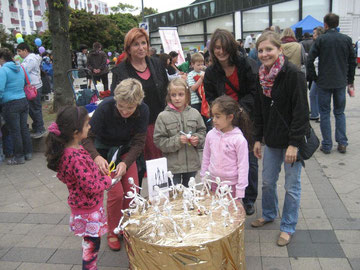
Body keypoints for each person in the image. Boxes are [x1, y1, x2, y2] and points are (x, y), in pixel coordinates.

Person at [251, 31, 309, 246]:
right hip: (272, 140)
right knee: (267, 182)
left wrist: (294, 143)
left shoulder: (293, 74)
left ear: (279, 50)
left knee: (291, 187)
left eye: (269, 49)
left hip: (291, 141)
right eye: (261, 50)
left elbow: (301, 111)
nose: (264, 54)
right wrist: (257, 138)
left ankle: (288, 226)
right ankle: (268, 214)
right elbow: (259, 110)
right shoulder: (261, 76)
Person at [82, 78, 149, 251]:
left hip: (126, 150)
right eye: (121, 106)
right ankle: (112, 231)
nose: (125, 111)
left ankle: (126, 226)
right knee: (116, 193)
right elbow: (86, 138)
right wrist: (96, 157)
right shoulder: (106, 107)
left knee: (132, 191)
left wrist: (126, 163)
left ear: (137, 104)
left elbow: (139, 142)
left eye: (130, 108)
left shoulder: (143, 110)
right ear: (116, 100)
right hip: (104, 153)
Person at [45, 106, 114, 269]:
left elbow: (82, 176)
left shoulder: (73, 149)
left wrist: (98, 172)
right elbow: (90, 186)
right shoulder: (73, 156)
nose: (89, 127)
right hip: (88, 210)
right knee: (91, 247)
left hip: (84, 206)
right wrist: (108, 180)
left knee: (91, 244)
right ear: (76, 132)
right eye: (87, 125)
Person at [204, 28, 259, 216]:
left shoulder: (246, 65)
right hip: (224, 118)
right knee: (224, 157)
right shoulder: (211, 71)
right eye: (216, 48)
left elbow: (254, 92)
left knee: (248, 159)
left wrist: (239, 110)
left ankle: (248, 198)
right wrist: (220, 113)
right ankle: (223, 192)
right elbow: (210, 96)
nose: (220, 51)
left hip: (245, 116)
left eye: (224, 47)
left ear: (231, 47)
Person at [111, 27, 168, 162]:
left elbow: (167, 90)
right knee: (139, 169)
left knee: (160, 170)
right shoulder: (120, 71)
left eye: (144, 43)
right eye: (136, 44)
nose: (141, 47)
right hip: (135, 129)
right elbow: (116, 101)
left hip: (158, 125)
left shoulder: (157, 64)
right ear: (128, 48)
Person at [307, 13, 356, 154]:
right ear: (337, 23)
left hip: (324, 81)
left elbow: (310, 59)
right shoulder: (346, 39)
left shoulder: (321, 40)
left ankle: (327, 144)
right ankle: (342, 143)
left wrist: (314, 77)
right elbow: (352, 61)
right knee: (340, 112)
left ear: (325, 24)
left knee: (325, 113)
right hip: (340, 81)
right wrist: (350, 80)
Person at [154, 78, 206, 187]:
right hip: (172, 167)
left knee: (190, 194)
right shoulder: (163, 116)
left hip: (192, 165)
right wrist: (177, 140)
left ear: (187, 95)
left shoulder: (195, 113)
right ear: (169, 96)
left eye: (181, 94)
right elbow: (159, 141)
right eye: (173, 95)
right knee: (175, 197)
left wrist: (197, 139)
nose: (177, 98)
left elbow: (202, 131)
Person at [200, 95, 252, 199]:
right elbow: (206, 158)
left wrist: (240, 191)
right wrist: (204, 180)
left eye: (218, 116)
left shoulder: (239, 140)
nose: (214, 120)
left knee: (231, 213)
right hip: (214, 183)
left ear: (230, 117)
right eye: (213, 116)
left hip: (231, 186)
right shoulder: (210, 135)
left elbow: (243, 167)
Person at [0, 48, 32, 165]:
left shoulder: (3, 70)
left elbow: (0, 89)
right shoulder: (20, 67)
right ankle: (28, 153)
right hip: (23, 100)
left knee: (15, 131)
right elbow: (25, 83)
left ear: (2, 58)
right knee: (24, 128)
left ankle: (19, 157)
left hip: (10, 103)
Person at [16, 43, 46, 139]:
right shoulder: (31, 58)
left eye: (19, 51)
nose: (18, 54)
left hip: (33, 88)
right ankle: (37, 126)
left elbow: (22, 70)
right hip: (33, 86)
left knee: (35, 109)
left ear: (25, 50)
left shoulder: (30, 59)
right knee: (33, 109)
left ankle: (40, 129)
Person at [309, 26, 325, 121]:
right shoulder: (316, 44)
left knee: (315, 94)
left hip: (320, 74)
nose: (313, 35)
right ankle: (316, 113)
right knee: (314, 94)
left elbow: (318, 60)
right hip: (318, 74)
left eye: (314, 33)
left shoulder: (320, 44)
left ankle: (318, 113)